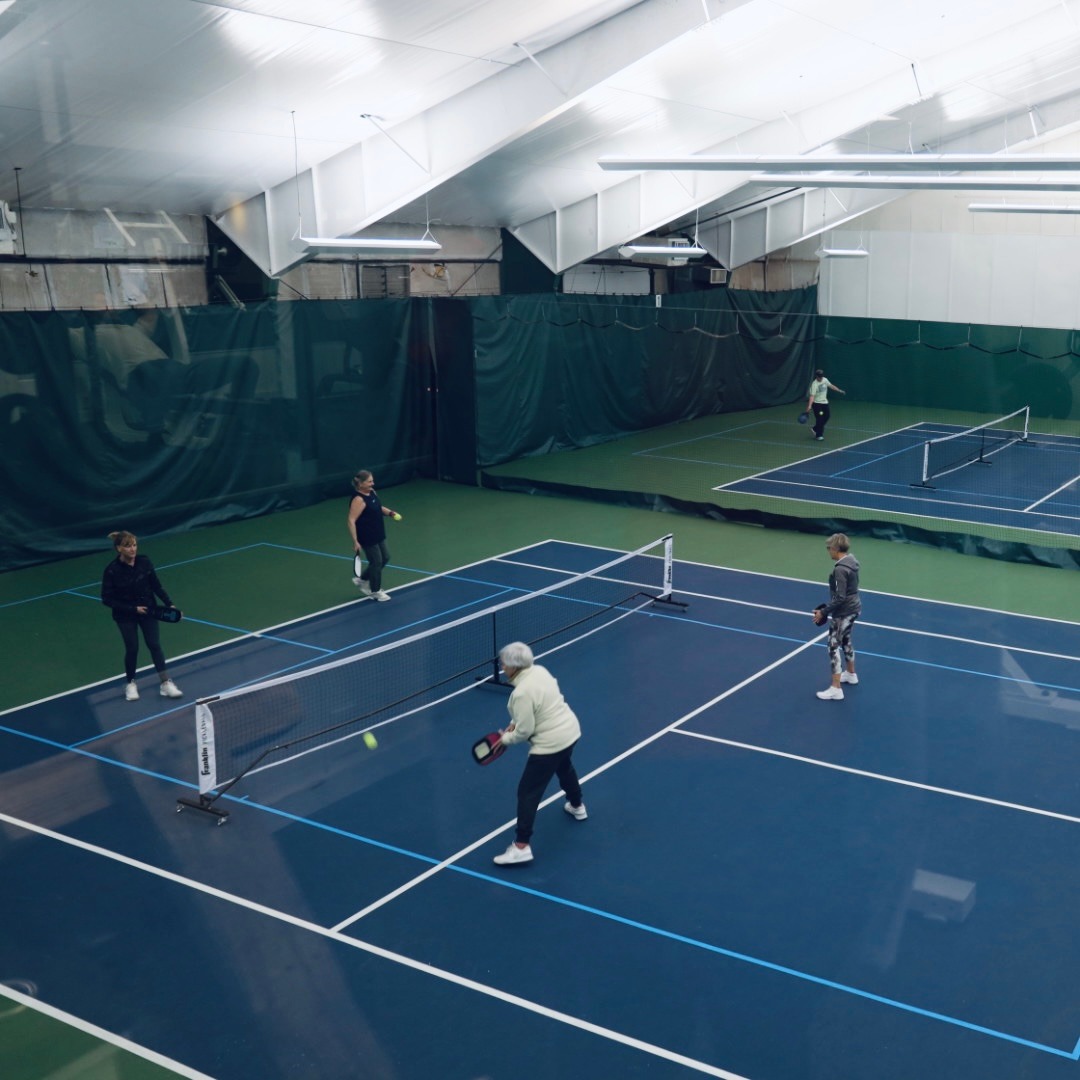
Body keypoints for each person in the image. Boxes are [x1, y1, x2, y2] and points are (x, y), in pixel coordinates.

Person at [491, 641, 587, 866]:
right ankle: (577, 805)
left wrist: (504, 739)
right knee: (564, 767)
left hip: (549, 744)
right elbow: (536, 707)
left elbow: (525, 731)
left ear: (514, 666)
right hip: (570, 732)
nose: (502, 667)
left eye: (504, 664)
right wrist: (513, 723)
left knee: (527, 792)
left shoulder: (521, 693)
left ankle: (521, 846)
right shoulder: (540, 671)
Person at [100, 531, 182, 701]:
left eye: (134, 545)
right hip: (125, 616)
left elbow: (156, 586)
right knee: (132, 648)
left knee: (154, 645)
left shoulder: (144, 562)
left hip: (149, 611)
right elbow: (107, 599)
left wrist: (170, 604)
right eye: (127, 546)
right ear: (119, 548)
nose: (132, 549)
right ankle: (131, 684)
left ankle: (165, 683)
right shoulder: (112, 570)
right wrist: (133, 609)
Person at [813, 533, 860, 701]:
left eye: (829, 548)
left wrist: (823, 612)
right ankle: (851, 674)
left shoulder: (840, 569)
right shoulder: (852, 562)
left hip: (843, 612)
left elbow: (840, 597)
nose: (828, 551)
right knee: (846, 640)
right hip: (853, 608)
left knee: (833, 646)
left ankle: (836, 688)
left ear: (835, 548)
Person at [346, 470, 400, 602]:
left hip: (378, 532)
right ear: (361, 484)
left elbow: (378, 507)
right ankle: (375, 591)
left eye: (372, 481)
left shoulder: (372, 492)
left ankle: (362, 580)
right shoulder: (358, 500)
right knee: (376, 562)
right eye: (369, 481)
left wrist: (390, 513)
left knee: (385, 557)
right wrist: (355, 541)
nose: (373, 483)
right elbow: (351, 520)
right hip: (367, 536)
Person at [806, 368, 846, 441]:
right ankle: (819, 435)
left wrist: (839, 390)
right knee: (820, 418)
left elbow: (831, 386)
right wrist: (809, 406)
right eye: (819, 377)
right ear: (816, 376)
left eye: (821, 376)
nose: (821, 378)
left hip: (825, 403)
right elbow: (812, 396)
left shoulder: (825, 380)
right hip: (817, 404)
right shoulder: (814, 384)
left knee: (827, 416)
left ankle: (815, 428)